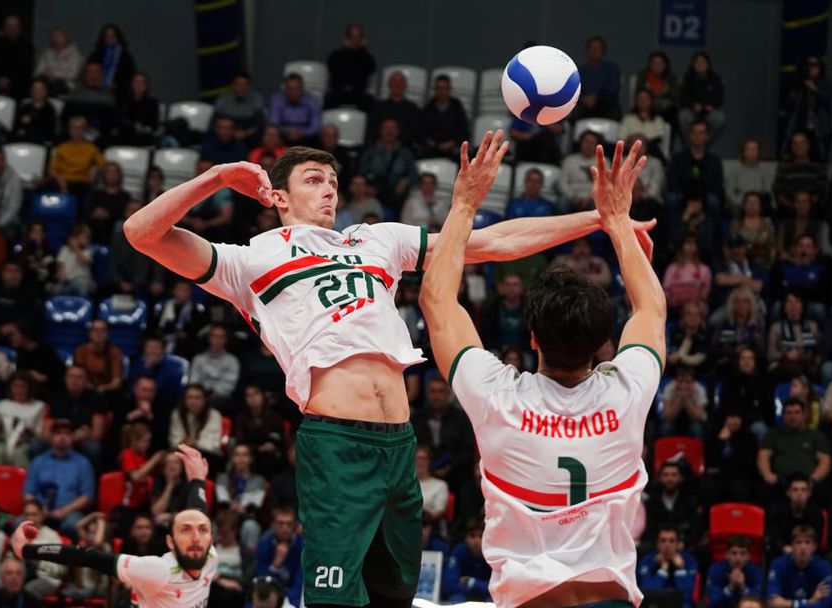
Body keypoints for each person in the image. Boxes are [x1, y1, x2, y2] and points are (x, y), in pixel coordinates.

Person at [122, 133, 655, 608]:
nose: (329, 190)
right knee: (334, 597)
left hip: (399, 441)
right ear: (278, 197)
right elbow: (141, 233)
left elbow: (493, 243)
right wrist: (216, 177)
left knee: (396, 594)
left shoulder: (375, 239)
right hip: (337, 441)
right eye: (314, 180)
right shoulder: (248, 260)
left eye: (333, 182)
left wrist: (602, 220)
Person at [419, 126, 663, 608]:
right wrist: (618, 222)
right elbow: (651, 309)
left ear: (531, 339)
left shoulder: (497, 396)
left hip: (530, 600)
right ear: (603, 346)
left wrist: (464, 204)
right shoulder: (629, 390)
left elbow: (436, 299)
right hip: (610, 600)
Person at [14, 445, 216, 607]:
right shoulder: (158, 571)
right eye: (185, 531)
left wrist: (198, 480)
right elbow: (86, 557)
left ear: (210, 539)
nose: (196, 537)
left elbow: (197, 513)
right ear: (170, 542)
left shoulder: (210, 557)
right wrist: (27, 550)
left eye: (203, 531)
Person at [23, 419, 95, 538]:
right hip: (40, 511)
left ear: (72, 437)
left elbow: (87, 496)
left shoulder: (83, 463)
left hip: (69, 512)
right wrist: (38, 510)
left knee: (73, 525)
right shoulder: (38, 461)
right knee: (18, 524)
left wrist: (64, 510)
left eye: (67, 433)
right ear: (51, 437)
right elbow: (28, 493)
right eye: (58, 433)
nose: (62, 437)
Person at [757, 398, 831, 506]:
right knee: (766, 491)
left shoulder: (816, 436)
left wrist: (814, 479)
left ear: (804, 415)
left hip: (808, 480)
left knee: (824, 491)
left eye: (797, 412)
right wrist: (767, 475)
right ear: (783, 416)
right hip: (781, 481)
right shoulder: (773, 434)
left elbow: (825, 461)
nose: (793, 416)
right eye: (789, 413)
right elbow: (763, 456)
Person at [701, 408, 759, 506]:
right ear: (724, 419)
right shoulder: (713, 437)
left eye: (738, 417)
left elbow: (746, 463)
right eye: (731, 417)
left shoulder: (749, 438)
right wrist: (721, 442)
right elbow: (710, 463)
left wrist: (721, 470)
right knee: (708, 486)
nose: (735, 421)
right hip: (719, 477)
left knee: (739, 488)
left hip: (740, 477)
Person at [358, 118, 417, 212]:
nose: (389, 131)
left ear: (398, 132)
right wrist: (367, 186)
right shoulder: (371, 152)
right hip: (375, 194)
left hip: (396, 196)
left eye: (393, 128)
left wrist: (405, 182)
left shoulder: (405, 153)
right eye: (386, 128)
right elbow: (361, 172)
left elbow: (413, 174)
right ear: (380, 131)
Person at [0, 373, 45, 466]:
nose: (19, 390)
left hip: (27, 442)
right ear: (10, 388)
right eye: (15, 386)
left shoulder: (39, 406)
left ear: (29, 388)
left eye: (23, 386)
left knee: (20, 454)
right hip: (3, 440)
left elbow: (41, 433)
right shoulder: (1, 405)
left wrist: (30, 430)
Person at [215, 443, 266, 550]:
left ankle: (250, 559)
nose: (241, 459)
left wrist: (239, 507)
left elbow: (254, 505)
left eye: (245, 455)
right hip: (225, 517)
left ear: (250, 459)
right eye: (237, 455)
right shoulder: (222, 478)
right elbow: (222, 501)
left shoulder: (259, 481)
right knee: (211, 525)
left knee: (251, 526)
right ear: (232, 458)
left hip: (246, 518)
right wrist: (234, 507)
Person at [765, 526, 832, 607]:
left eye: (807, 542)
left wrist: (788, 604)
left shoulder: (824, 567)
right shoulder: (778, 565)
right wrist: (810, 602)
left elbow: (827, 603)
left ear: (814, 547)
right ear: (792, 546)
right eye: (798, 542)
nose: (803, 547)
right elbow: (773, 602)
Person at [643, 462, 704, 551]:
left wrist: (684, 543)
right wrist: (659, 544)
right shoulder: (652, 502)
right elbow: (649, 529)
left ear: (680, 478)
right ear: (660, 478)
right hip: (658, 546)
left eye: (674, 475)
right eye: (666, 475)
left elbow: (697, 528)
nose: (670, 479)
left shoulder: (690, 501)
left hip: (684, 545)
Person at [782, 56, 832, 161]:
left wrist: (815, 89)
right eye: (808, 65)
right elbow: (790, 105)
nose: (810, 68)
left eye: (814, 65)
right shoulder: (798, 84)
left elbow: (828, 99)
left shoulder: (826, 83)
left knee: (819, 159)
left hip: (820, 129)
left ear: (820, 67)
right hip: (802, 128)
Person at [666, 120, 725, 212]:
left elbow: (717, 185)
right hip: (682, 196)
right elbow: (672, 181)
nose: (697, 136)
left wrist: (703, 197)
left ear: (707, 136)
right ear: (690, 135)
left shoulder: (714, 161)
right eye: (694, 132)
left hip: (705, 197)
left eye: (701, 133)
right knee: (671, 199)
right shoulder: (678, 158)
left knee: (714, 202)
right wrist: (683, 195)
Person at [637, 525, 699, 608]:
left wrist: (680, 568)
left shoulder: (689, 561)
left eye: (671, 541)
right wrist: (663, 570)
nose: (667, 545)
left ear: (678, 544)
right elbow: (648, 593)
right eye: (663, 541)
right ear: (657, 544)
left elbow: (687, 595)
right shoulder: (647, 561)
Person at [766, 473, 825, 558]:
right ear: (788, 493)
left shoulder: (816, 514)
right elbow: (774, 537)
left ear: (809, 493)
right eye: (795, 490)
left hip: (808, 554)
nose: (799, 493)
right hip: (781, 553)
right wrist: (784, 548)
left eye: (803, 490)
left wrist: (802, 549)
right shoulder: (776, 511)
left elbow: (816, 539)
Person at [46, 116, 105, 199]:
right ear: (69, 130)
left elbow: (103, 165)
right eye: (74, 128)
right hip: (62, 180)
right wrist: (60, 179)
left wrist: (96, 168)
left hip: (82, 182)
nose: (77, 131)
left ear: (84, 130)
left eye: (80, 128)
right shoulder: (62, 147)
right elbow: (52, 169)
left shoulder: (91, 148)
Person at [255, 507, 303, 608]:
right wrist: (275, 565)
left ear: (295, 525)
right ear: (273, 525)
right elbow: (260, 580)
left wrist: (285, 601)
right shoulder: (264, 543)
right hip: (268, 596)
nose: (285, 528)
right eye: (280, 523)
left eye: (289, 524)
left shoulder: (302, 546)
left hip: (292, 598)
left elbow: (299, 582)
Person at [773, 131, 828, 213]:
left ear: (808, 145)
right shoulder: (784, 167)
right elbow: (778, 190)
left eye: (802, 143)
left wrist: (805, 205)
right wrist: (792, 205)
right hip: (789, 210)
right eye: (795, 143)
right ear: (792, 146)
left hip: (813, 211)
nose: (798, 146)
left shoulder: (818, 167)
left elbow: (822, 190)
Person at [324, 23, 375, 112]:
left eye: (358, 37)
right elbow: (331, 72)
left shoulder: (367, 58)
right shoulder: (335, 56)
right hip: (339, 92)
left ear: (362, 39)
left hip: (358, 94)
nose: (355, 40)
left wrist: (364, 50)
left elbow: (370, 69)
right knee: (328, 99)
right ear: (346, 39)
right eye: (352, 37)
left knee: (370, 102)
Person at [18, 500, 64, 598]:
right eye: (27, 515)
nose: (30, 518)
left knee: (29, 589)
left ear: (42, 515)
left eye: (34, 515)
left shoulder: (51, 536)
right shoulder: (18, 535)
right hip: (22, 576)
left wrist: (37, 560)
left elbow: (59, 569)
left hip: (47, 578)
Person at [0, 15, 33, 100]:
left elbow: (26, 68)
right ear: (4, 27)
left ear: (20, 28)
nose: (12, 29)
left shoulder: (27, 46)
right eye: (9, 26)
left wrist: (10, 80)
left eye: (15, 26)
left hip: (18, 89)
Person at [189, 324, 241, 410]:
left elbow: (229, 385)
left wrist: (213, 395)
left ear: (226, 339)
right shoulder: (198, 359)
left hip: (221, 399)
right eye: (214, 336)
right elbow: (193, 381)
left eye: (221, 337)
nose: (217, 340)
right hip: (199, 396)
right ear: (209, 338)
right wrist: (201, 395)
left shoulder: (232, 361)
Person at [168, 384, 223, 465]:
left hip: (207, 456)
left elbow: (213, 445)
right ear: (184, 400)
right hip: (182, 454)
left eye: (198, 398)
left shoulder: (214, 415)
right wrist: (184, 443)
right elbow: (174, 441)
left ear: (204, 400)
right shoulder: (177, 414)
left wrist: (194, 443)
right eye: (190, 397)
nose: (193, 401)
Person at [678, 51, 725, 144]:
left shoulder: (715, 79)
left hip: (708, 113)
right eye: (697, 62)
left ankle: (702, 144)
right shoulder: (688, 79)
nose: (700, 64)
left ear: (708, 64)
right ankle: (690, 145)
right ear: (693, 64)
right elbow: (683, 97)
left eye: (703, 62)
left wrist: (712, 105)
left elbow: (719, 97)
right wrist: (692, 106)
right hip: (692, 112)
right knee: (682, 116)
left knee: (719, 118)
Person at [420, 74, 470, 159]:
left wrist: (452, 143)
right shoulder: (428, 108)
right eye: (439, 88)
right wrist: (430, 142)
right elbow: (421, 132)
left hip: (452, 149)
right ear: (434, 89)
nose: (441, 91)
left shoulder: (457, 108)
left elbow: (464, 131)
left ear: (449, 89)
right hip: (431, 149)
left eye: (444, 88)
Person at [442, 518, 492, 602]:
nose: (476, 541)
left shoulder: (494, 553)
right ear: (465, 538)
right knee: (456, 599)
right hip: (464, 596)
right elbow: (449, 586)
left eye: (481, 536)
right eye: (472, 536)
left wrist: (471, 582)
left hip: (486, 598)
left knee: (493, 601)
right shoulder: (459, 551)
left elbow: (498, 588)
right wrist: (481, 587)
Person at [368, 71, 422, 147]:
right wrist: (380, 141)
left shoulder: (413, 109)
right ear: (389, 85)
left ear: (405, 86)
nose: (397, 85)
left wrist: (399, 143)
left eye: (400, 83)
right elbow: (372, 128)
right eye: (394, 83)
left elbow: (415, 131)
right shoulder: (378, 107)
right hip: (380, 147)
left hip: (404, 147)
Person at [73, 320, 124, 401]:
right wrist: (91, 388)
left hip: (107, 392)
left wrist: (103, 388)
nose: (98, 333)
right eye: (95, 330)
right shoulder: (81, 351)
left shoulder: (114, 352)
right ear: (89, 333)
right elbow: (79, 375)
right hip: (85, 390)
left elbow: (116, 381)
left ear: (107, 334)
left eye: (102, 330)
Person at [706, 536, 763, 608]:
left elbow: (757, 602)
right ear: (727, 554)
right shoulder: (715, 569)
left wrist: (743, 588)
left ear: (748, 556)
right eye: (734, 553)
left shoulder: (756, 571)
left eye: (742, 553)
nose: (738, 557)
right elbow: (713, 602)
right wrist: (730, 588)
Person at [214, 71, 266, 148]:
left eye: (244, 84)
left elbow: (259, 124)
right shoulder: (223, 100)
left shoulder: (256, 99)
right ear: (232, 85)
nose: (240, 88)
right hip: (227, 132)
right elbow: (217, 122)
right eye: (238, 84)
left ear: (249, 86)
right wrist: (232, 133)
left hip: (249, 135)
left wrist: (246, 133)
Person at [575, 35, 622, 120]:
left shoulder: (612, 68)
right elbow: (574, 91)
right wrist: (583, 99)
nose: (594, 51)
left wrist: (597, 98)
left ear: (604, 51)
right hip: (584, 107)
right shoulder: (579, 71)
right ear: (587, 50)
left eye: (598, 48)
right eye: (591, 48)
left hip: (606, 107)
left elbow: (613, 89)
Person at [729, 192, 777, 272]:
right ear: (743, 206)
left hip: (763, 266)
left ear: (760, 206)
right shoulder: (736, 224)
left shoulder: (767, 225)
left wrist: (768, 266)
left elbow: (772, 247)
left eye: (755, 202)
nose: (752, 205)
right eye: (749, 202)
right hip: (739, 266)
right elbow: (731, 246)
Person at [85, 161, 131, 245]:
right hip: (95, 228)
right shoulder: (95, 194)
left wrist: (108, 214)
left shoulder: (125, 196)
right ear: (104, 175)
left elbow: (124, 215)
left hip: (113, 230)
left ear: (120, 175)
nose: (112, 175)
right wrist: (96, 213)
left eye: (115, 172)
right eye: (109, 172)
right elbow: (88, 212)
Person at [269, 74, 321, 146]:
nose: (293, 92)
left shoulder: (312, 101)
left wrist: (302, 132)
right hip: (283, 136)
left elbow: (316, 127)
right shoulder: (277, 99)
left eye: (296, 88)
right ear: (285, 89)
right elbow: (274, 123)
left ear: (302, 88)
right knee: (271, 133)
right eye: (289, 88)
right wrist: (287, 131)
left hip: (306, 137)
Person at [86, 24, 136, 99]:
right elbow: (86, 73)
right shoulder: (96, 55)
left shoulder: (126, 57)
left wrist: (117, 86)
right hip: (95, 92)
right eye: (107, 35)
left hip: (120, 94)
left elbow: (130, 78)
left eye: (112, 35)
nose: (110, 38)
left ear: (118, 37)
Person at [725, 139, 774, 215]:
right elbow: (729, 194)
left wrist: (757, 205)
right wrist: (744, 205)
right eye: (748, 149)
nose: (752, 152)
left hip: (760, 208)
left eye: (755, 149)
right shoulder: (734, 172)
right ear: (743, 152)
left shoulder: (764, 172)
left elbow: (768, 192)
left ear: (759, 152)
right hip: (740, 207)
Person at [632, 51, 680, 125]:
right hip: (647, 104)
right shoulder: (643, 75)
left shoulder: (671, 76)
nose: (657, 66)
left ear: (665, 64)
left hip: (666, 107)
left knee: (673, 113)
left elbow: (675, 95)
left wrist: (662, 95)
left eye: (660, 63)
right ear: (650, 64)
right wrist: (651, 95)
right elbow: (639, 92)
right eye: (654, 63)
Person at [619, 89, 668, 161]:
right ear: (636, 101)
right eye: (640, 99)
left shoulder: (658, 120)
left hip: (650, 151)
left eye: (646, 98)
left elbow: (657, 139)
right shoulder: (628, 119)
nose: (643, 101)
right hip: (630, 149)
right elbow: (622, 139)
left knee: (653, 147)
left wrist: (639, 140)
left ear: (651, 101)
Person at [559, 130, 601, 213]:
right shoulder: (569, 160)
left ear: (597, 145)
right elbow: (562, 183)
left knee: (598, 204)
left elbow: (603, 185)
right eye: (586, 141)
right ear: (581, 143)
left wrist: (589, 198)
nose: (588, 145)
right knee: (562, 202)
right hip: (572, 196)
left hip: (592, 197)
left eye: (592, 142)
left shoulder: (603, 161)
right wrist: (573, 197)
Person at [34, 26, 83, 94]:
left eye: (59, 35)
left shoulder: (75, 53)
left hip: (66, 85)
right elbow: (38, 72)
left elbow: (73, 74)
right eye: (53, 35)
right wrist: (46, 75)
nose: (56, 38)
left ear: (67, 37)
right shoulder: (46, 52)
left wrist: (53, 74)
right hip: (46, 82)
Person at [114, 72, 159, 147]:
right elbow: (120, 119)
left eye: (141, 83)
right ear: (132, 85)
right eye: (136, 82)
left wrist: (142, 128)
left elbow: (154, 125)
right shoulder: (124, 102)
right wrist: (132, 126)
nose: (138, 85)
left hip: (144, 135)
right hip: (126, 133)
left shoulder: (152, 103)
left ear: (146, 86)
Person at [11, 77, 57, 145]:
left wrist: (32, 121)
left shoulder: (50, 110)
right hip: (21, 143)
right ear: (31, 91)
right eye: (35, 89)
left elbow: (48, 132)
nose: (38, 92)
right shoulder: (25, 108)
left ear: (46, 91)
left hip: (39, 144)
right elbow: (16, 127)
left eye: (41, 89)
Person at [50, 223, 94, 296]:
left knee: (81, 283)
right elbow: (60, 267)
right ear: (75, 237)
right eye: (85, 237)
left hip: (83, 281)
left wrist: (76, 248)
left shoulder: (88, 251)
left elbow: (83, 261)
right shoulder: (64, 250)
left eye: (89, 237)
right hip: (67, 282)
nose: (88, 240)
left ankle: (82, 301)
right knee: (55, 288)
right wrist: (62, 277)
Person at [416, 445, 448, 524]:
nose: (420, 462)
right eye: (417, 458)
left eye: (424, 459)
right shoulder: (405, 484)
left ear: (430, 462)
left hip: (429, 525)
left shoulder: (440, 485)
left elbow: (438, 512)